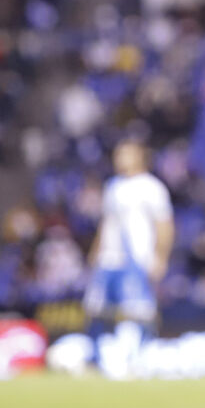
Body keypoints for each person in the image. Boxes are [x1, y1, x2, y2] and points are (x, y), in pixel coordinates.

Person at [82, 139, 174, 379]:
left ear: (140, 156)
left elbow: (164, 225)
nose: (119, 159)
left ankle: (138, 357)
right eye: (118, 154)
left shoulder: (152, 187)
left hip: (136, 259)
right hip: (108, 259)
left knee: (138, 310)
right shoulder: (113, 186)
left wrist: (161, 256)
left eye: (125, 154)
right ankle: (97, 358)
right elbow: (106, 223)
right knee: (95, 308)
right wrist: (95, 252)